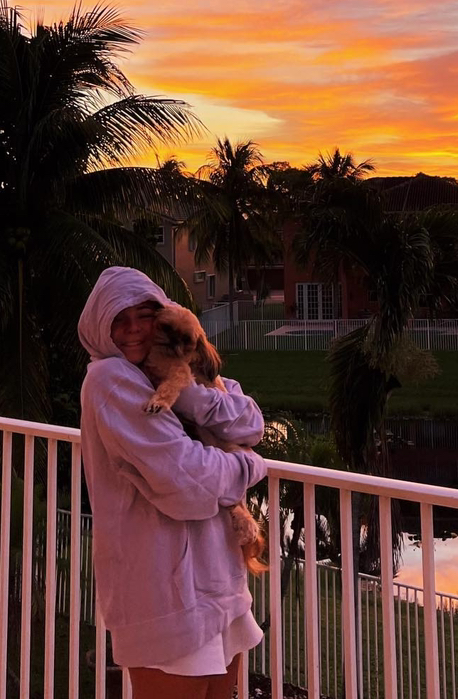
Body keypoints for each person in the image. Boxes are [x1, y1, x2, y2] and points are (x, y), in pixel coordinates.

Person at [78, 265, 268, 699]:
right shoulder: (110, 380)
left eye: (143, 316)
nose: (132, 331)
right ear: (100, 329)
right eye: (118, 321)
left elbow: (252, 422)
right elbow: (187, 485)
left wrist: (189, 394)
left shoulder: (181, 365)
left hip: (218, 580)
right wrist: (250, 469)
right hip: (165, 596)